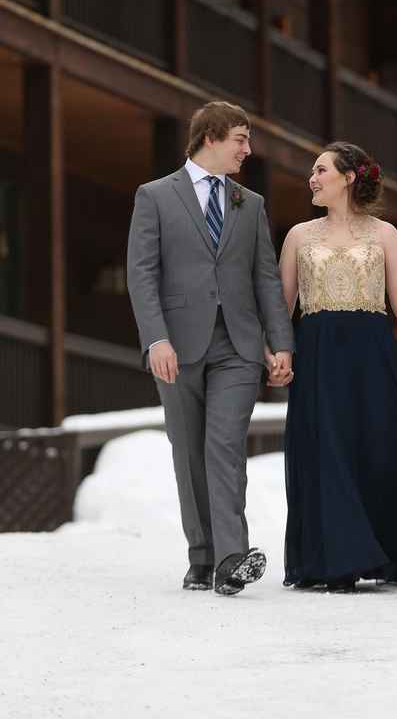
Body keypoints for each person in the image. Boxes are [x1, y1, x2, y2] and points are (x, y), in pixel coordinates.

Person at [127, 101, 294, 596]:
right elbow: (142, 274)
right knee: (188, 452)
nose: (248, 149)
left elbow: (265, 278)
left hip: (239, 347)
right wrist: (156, 338)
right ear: (211, 138)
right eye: (241, 139)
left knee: (224, 447)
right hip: (175, 346)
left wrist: (280, 342)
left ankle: (230, 559)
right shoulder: (155, 196)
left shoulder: (252, 204)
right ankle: (200, 557)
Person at [277, 141, 397, 592]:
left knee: (388, 448)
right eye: (312, 171)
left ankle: (395, 553)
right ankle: (338, 561)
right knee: (326, 453)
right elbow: (282, 305)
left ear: (349, 178)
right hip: (317, 356)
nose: (312, 178)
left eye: (321, 170)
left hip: (373, 355)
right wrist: (278, 353)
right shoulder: (298, 236)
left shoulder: (386, 234)